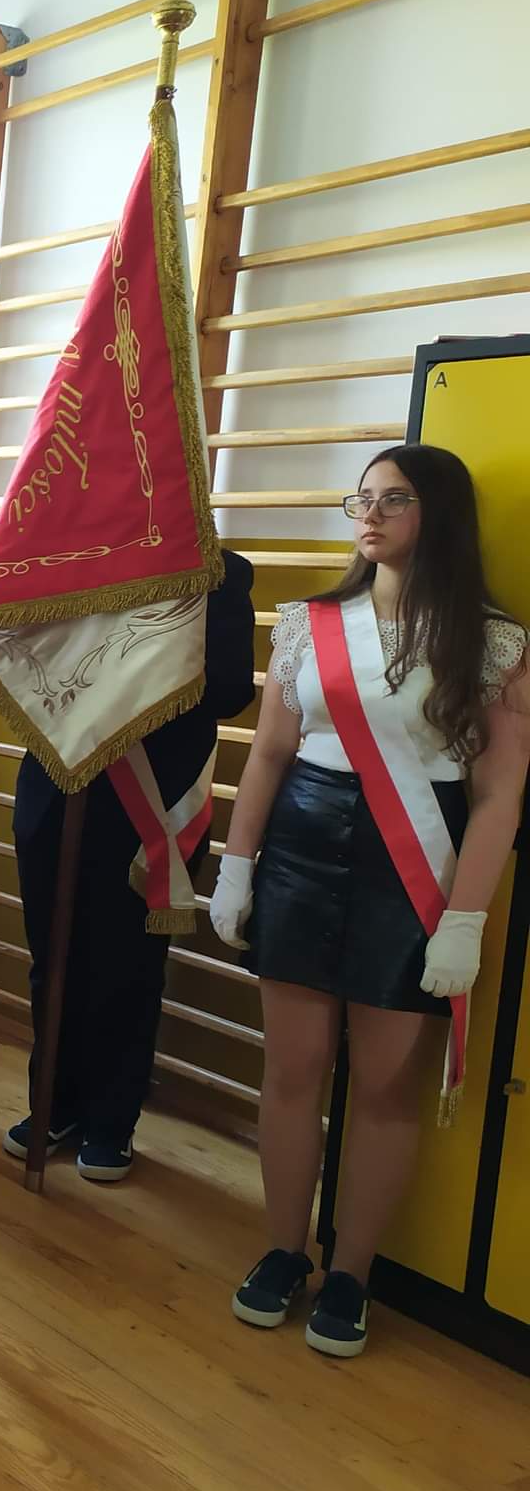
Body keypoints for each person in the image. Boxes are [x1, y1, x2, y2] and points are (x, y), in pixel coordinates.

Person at [212, 446, 526, 1358]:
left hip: (416, 866)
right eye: (364, 498)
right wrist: (237, 867)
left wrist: (464, 919)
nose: (371, 514)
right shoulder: (310, 624)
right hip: (301, 854)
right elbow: (269, 755)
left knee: (386, 1087)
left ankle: (350, 1273)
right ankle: (283, 1251)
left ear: (441, 514)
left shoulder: (492, 642)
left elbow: (500, 795)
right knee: (292, 1070)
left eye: (395, 499)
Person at [4, 547, 255, 1181]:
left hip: (149, 803)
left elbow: (229, 692)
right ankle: (53, 1103)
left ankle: (111, 1119)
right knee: (52, 958)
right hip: (56, 790)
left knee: (128, 966)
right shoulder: (63, 554)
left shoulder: (219, 572)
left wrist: (136, 661)